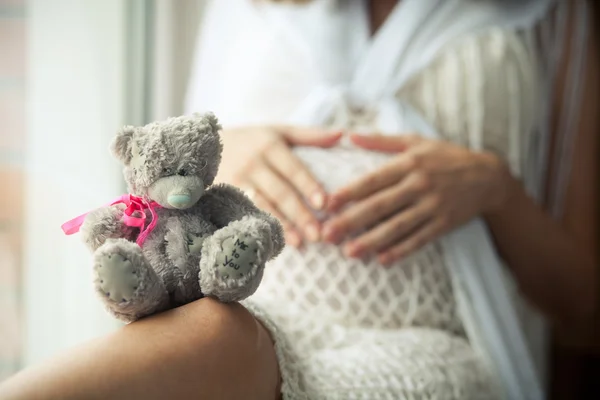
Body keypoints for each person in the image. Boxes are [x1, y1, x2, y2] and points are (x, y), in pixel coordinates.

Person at [0, 0, 596, 399]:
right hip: (258, 305)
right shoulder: (248, 9)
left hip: (431, 339)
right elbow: (168, 180)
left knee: (219, 337)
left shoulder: (556, 15)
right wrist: (228, 149)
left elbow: (584, 307)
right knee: (215, 328)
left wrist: (494, 187)